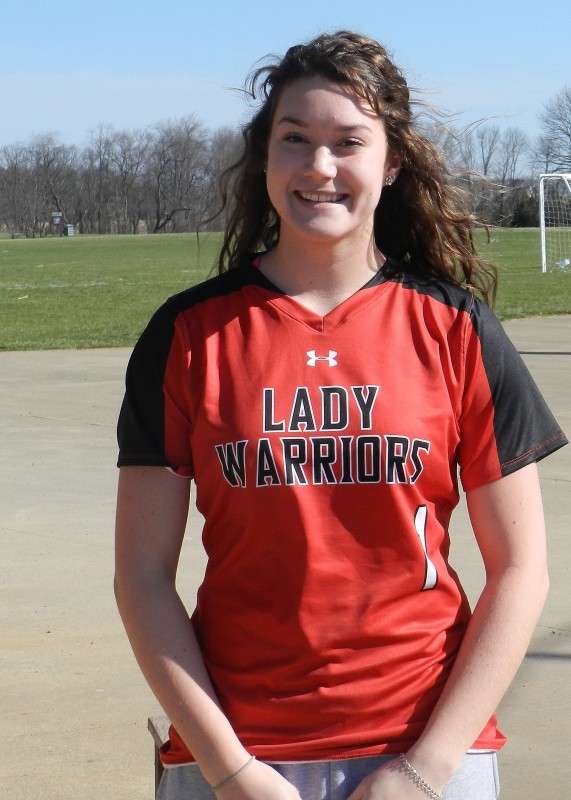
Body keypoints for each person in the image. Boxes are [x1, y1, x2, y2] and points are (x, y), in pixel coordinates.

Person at [114, 30, 567, 800]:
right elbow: (141, 574)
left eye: (348, 142)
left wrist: (424, 769)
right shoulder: (188, 334)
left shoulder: (455, 328)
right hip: (235, 754)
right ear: (264, 157)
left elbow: (520, 570)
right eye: (294, 139)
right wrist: (229, 768)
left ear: (390, 162)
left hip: (425, 751)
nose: (319, 166)